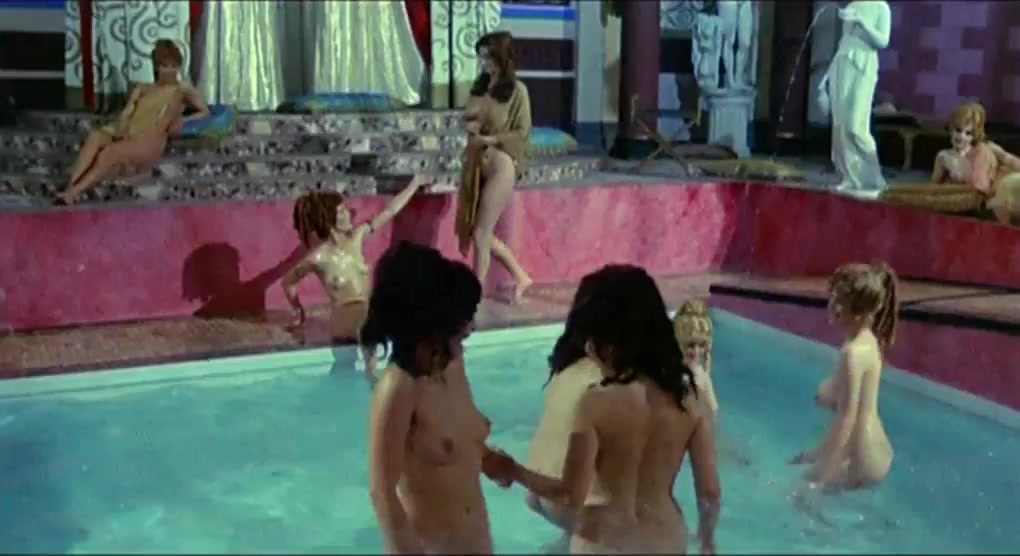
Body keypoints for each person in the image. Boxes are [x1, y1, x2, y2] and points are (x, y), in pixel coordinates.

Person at [491, 265, 721, 553]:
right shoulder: (692, 400)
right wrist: (708, 542)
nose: (589, 349)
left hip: (602, 543)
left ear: (611, 345)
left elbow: (570, 494)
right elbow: (709, 493)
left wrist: (512, 470)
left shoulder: (596, 402)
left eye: (593, 341)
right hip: (664, 541)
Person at [364, 241, 512, 554]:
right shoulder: (399, 388)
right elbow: (383, 494)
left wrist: (487, 458)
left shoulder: (453, 366)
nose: (471, 327)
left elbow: (455, 441)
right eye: (461, 323)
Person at [282, 179, 425, 386]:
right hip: (344, 319)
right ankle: (375, 381)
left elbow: (390, 210)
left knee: (342, 375)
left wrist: (415, 184)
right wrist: (299, 312)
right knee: (371, 320)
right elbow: (288, 282)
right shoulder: (318, 258)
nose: (349, 213)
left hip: (364, 315)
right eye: (342, 211)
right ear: (329, 219)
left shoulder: (357, 238)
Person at [57, 40, 210, 205]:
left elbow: (204, 112)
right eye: (164, 66)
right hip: (129, 132)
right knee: (95, 137)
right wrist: (121, 127)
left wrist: (183, 120)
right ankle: (71, 185)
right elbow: (127, 112)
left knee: (110, 153)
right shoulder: (143, 88)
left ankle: (73, 193)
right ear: (156, 67)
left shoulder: (182, 90)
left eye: (173, 66)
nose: (170, 71)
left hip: (149, 140)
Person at [793, 262, 898, 492]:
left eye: (837, 301)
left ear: (858, 312)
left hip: (861, 458)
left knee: (796, 494)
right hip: (877, 450)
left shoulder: (852, 353)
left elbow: (846, 419)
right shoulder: (868, 341)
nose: (831, 306)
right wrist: (817, 453)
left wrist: (820, 478)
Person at [457, 31, 533, 304]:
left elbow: (522, 132)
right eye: (481, 57)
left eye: (488, 57)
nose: (483, 63)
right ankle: (521, 276)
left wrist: (489, 139)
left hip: (501, 165)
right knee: (478, 230)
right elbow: (469, 117)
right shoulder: (479, 86)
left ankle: (474, 294)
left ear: (502, 58)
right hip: (477, 162)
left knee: (481, 233)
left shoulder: (517, 91)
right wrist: (471, 126)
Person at [818, 0, 890, 197]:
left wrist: (863, 23)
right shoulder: (852, 6)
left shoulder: (881, 7)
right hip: (843, 63)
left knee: (855, 126)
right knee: (840, 124)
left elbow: (883, 41)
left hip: (863, 64)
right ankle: (848, 176)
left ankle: (872, 176)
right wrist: (826, 77)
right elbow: (844, 42)